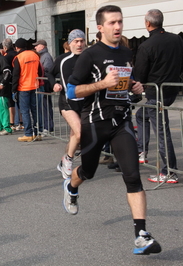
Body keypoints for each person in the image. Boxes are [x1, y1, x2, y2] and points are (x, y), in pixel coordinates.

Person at [63, 5, 161, 255]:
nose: (118, 27)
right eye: (112, 23)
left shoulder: (127, 52)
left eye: (120, 21)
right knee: (88, 170)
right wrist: (101, 84)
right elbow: (72, 91)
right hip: (94, 123)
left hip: (121, 122)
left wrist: (135, 88)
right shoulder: (90, 55)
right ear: (100, 27)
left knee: (132, 175)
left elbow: (125, 85)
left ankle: (141, 235)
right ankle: (71, 188)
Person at [134, 9, 183, 184]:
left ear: (148, 24)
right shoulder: (176, 39)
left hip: (157, 93)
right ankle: (142, 150)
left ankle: (168, 171)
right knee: (141, 115)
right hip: (171, 90)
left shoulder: (146, 46)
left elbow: (140, 74)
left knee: (162, 133)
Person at [50, 29, 86, 179]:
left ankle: (63, 161)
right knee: (79, 132)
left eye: (81, 41)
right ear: (70, 43)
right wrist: (54, 85)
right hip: (67, 102)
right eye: (76, 41)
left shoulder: (88, 58)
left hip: (84, 103)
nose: (79, 44)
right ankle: (68, 160)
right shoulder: (62, 59)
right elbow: (50, 73)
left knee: (75, 137)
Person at [12, 38, 42, 142]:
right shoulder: (35, 55)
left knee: (25, 111)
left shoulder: (18, 58)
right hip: (35, 85)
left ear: (17, 47)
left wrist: (13, 90)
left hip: (23, 87)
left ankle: (28, 134)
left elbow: (15, 75)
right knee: (35, 110)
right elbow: (40, 71)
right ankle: (38, 133)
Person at [33, 39, 54, 135]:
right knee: (43, 105)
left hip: (45, 84)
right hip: (43, 83)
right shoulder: (41, 56)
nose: (35, 47)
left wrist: (39, 73)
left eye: (37, 45)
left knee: (46, 106)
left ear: (42, 46)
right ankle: (46, 125)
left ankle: (48, 126)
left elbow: (48, 70)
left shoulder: (46, 57)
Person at [2, 38, 19, 131]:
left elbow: (6, 71)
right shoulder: (17, 54)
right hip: (20, 80)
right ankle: (20, 122)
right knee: (19, 102)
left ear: (5, 47)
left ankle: (12, 123)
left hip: (10, 81)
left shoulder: (6, 57)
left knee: (11, 103)